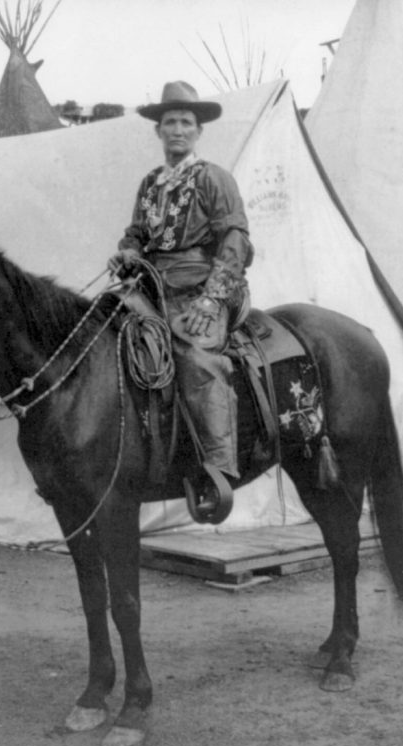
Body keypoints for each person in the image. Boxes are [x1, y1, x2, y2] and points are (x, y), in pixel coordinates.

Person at [108, 80, 254, 517]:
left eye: (185, 122)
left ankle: (218, 470)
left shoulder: (214, 178)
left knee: (195, 357)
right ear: (158, 130)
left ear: (198, 131)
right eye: (169, 122)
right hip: (151, 287)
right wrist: (128, 251)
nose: (177, 130)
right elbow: (137, 232)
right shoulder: (150, 183)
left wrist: (211, 301)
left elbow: (236, 242)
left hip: (202, 288)